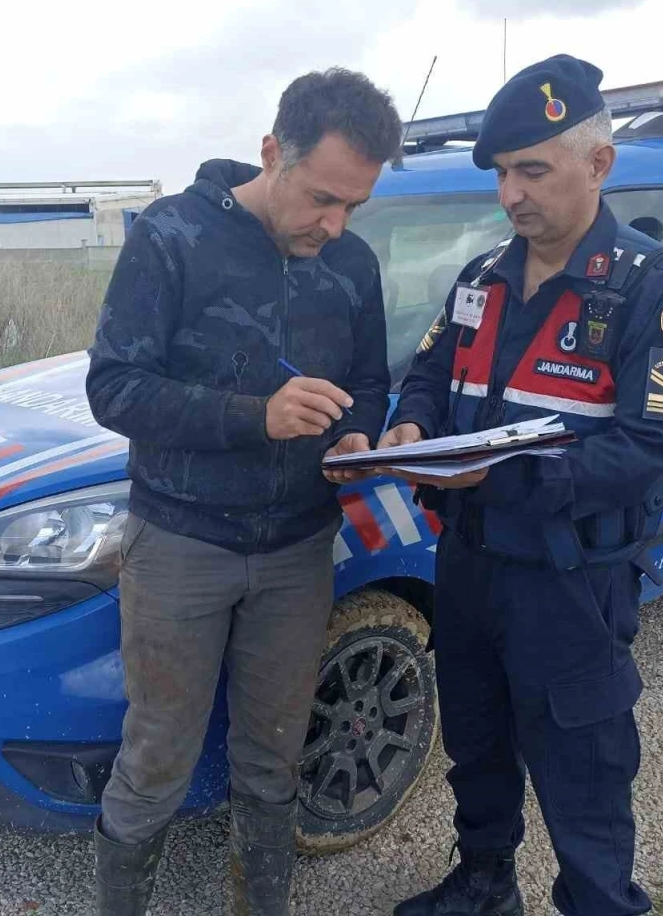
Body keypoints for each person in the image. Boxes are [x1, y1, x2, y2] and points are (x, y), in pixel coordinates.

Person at [382, 55, 663, 916]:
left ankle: (599, 903)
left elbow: (651, 443)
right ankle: (485, 883)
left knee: (583, 769)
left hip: (568, 582)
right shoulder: (481, 277)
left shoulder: (654, 292)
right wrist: (412, 425)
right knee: (477, 740)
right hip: (468, 565)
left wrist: (508, 477)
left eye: (532, 170)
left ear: (599, 164)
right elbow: (428, 374)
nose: (511, 194)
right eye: (501, 173)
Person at [84, 68, 401, 915]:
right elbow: (113, 389)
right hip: (180, 543)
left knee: (274, 756)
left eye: (355, 206)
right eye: (323, 198)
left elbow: (369, 382)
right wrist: (255, 416)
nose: (334, 225)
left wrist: (358, 434)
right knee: (156, 758)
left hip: (298, 549)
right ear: (271, 154)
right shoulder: (173, 235)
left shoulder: (351, 263)